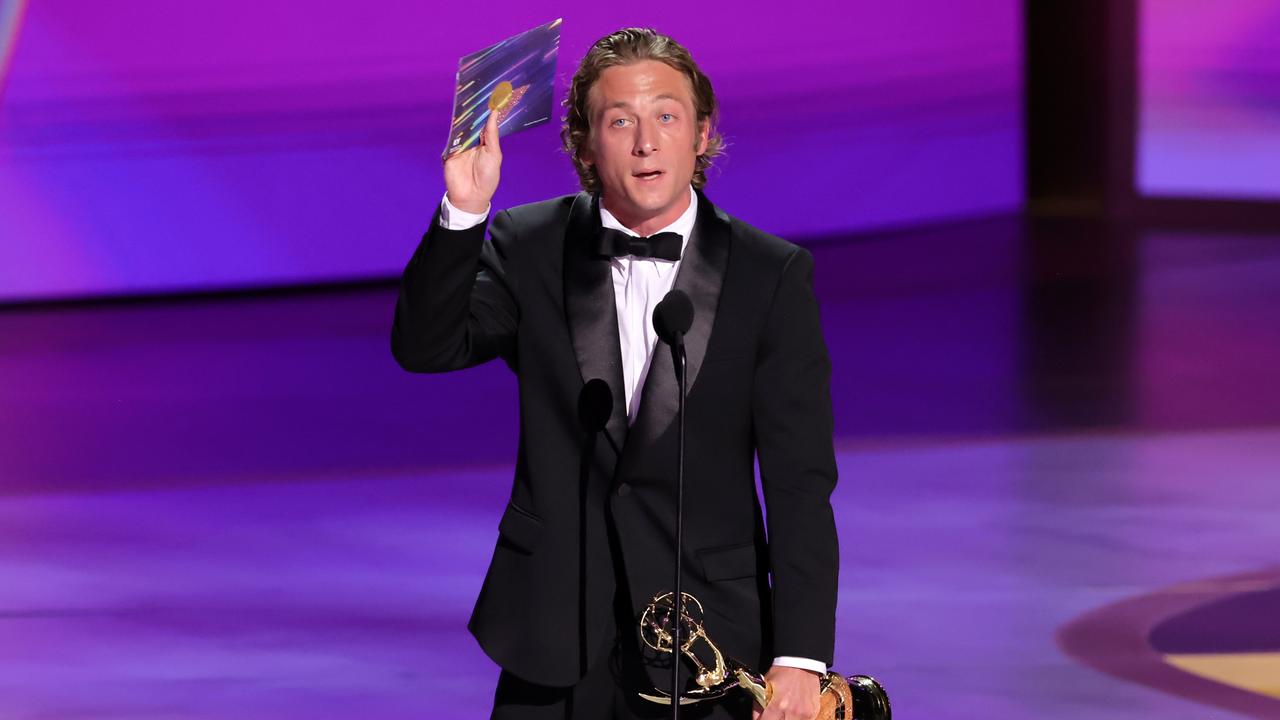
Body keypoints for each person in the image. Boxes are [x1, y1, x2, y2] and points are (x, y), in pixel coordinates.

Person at [392, 28, 838, 720]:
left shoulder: (771, 275)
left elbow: (799, 479)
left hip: (710, 644)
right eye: (619, 120)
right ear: (585, 144)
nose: (645, 142)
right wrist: (465, 211)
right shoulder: (528, 246)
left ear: (702, 133)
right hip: (553, 631)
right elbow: (427, 347)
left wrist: (802, 655)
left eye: (666, 116)